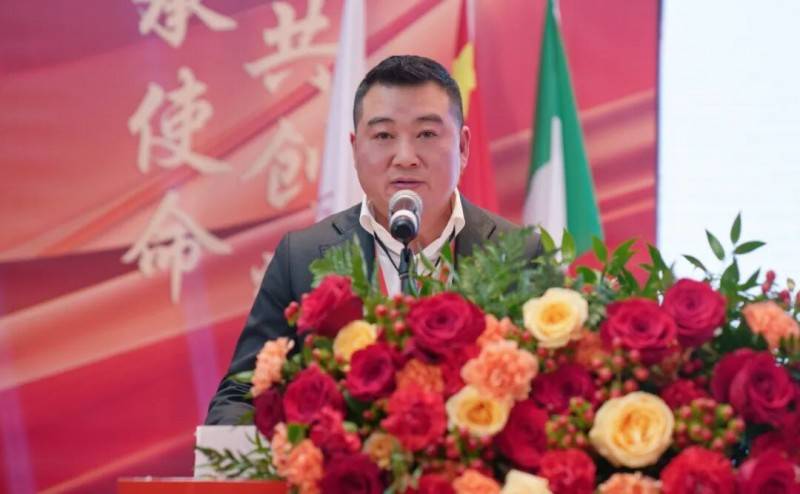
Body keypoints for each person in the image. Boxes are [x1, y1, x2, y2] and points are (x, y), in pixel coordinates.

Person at [205, 55, 541, 425]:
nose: (405, 157)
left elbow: (552, 391)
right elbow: (240, 396)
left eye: (426, 134)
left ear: (462, 147)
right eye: (383, 136)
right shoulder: (301, 256)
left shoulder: (520, 253)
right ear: (355, 149)